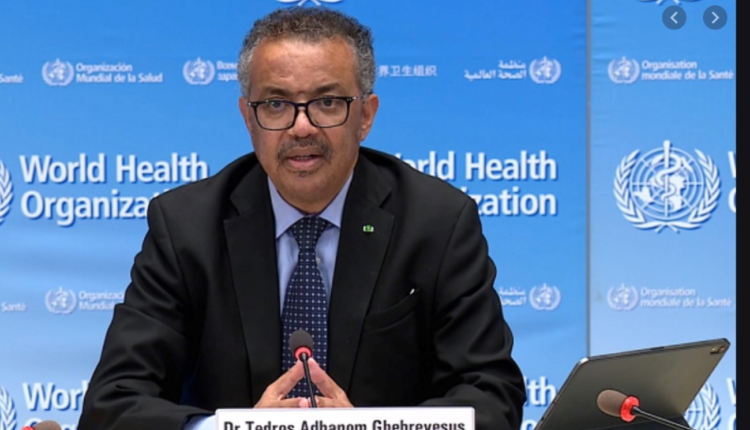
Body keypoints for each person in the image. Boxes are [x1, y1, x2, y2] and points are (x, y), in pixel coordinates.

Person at [78, 7, 526, 430]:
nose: (301, 127)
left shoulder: (437, 222)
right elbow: (112, 404)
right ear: (248, 119)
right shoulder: (186, 227)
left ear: (365, 116)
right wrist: (236, 428)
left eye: (327, 102)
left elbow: (492, 396)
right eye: (276, 104)